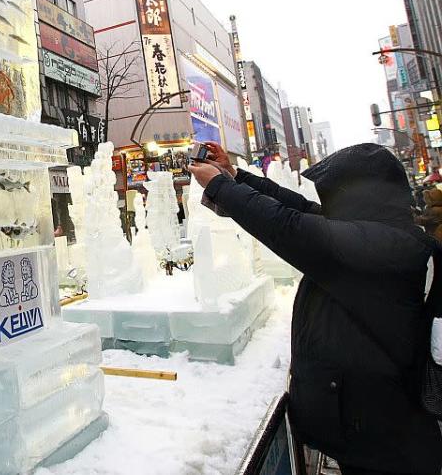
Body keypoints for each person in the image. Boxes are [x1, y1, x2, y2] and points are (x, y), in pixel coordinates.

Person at [188, 142, 442, 475]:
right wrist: (236, 176)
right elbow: (301, 209)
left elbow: (290, 227)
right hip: (373, 428)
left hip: (385, 444)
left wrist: (220, 186)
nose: (327, 204)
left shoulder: (386, 247)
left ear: (359, 195)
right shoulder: (382, 234)